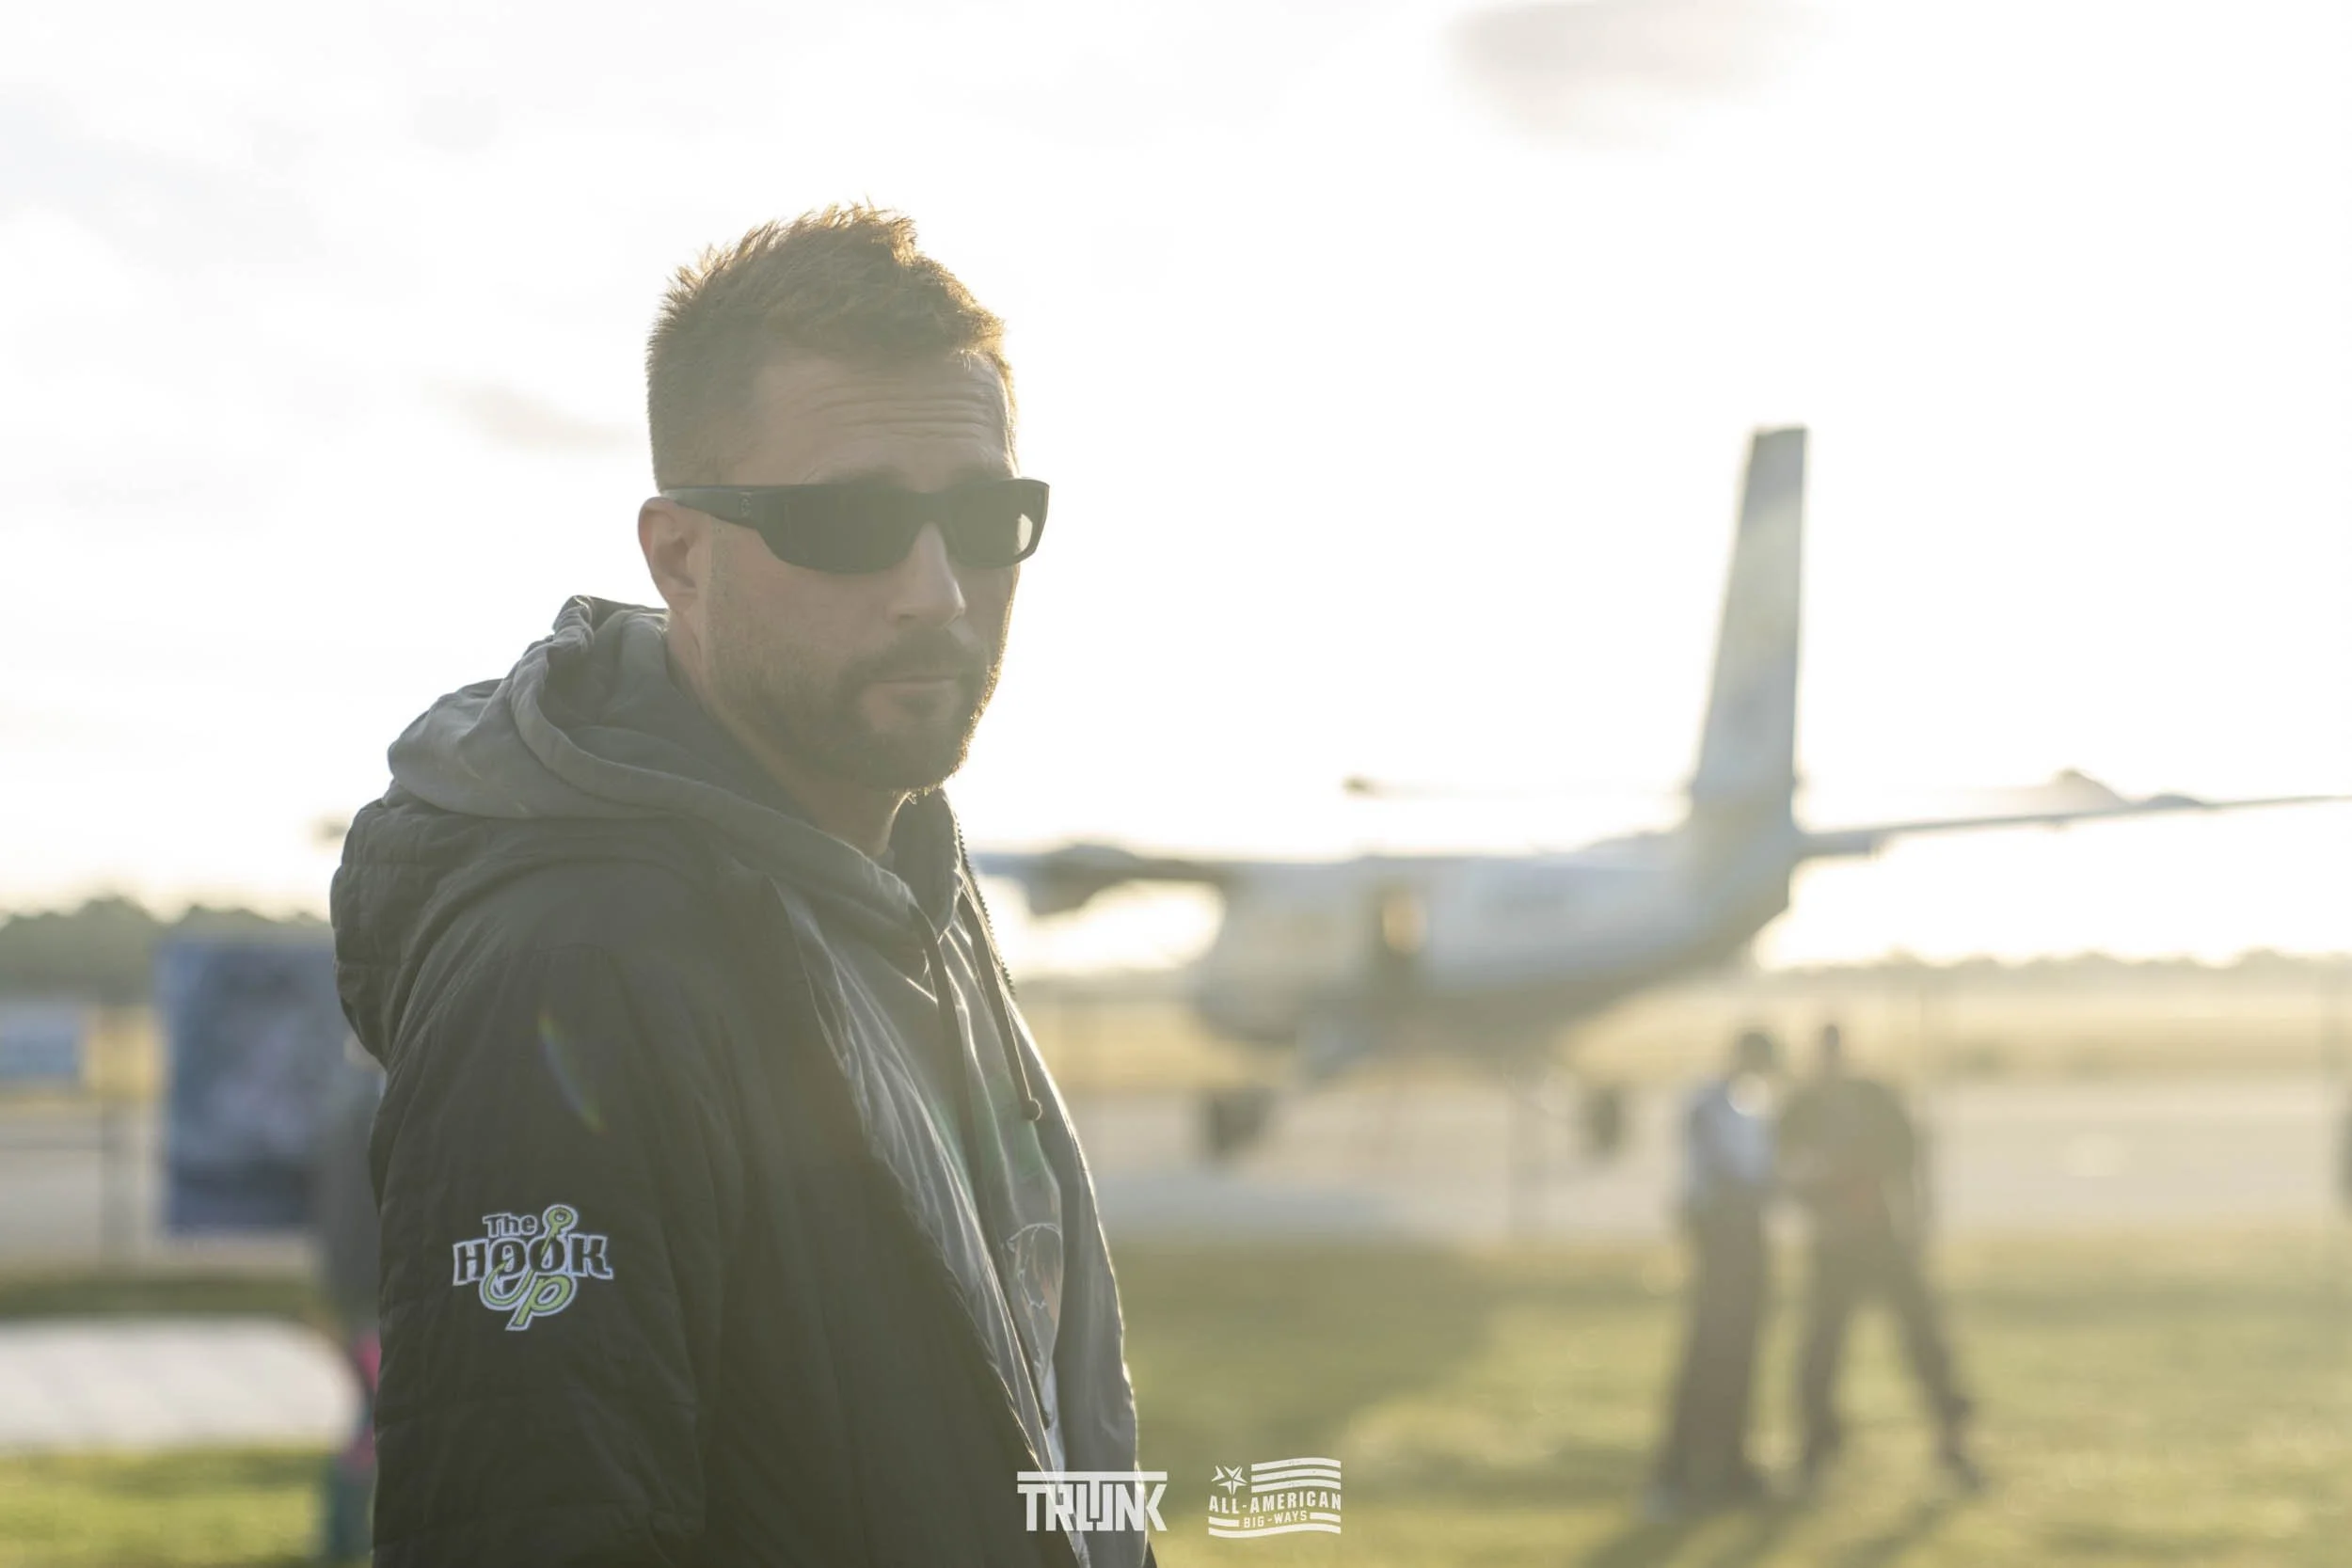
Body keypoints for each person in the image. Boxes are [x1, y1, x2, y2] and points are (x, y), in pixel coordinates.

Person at [332, 207, 1148, 1567]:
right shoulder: (573, 964)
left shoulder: (913, 880)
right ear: (678, 555)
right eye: (854, 522)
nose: (937, 590)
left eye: (985, 515)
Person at [1777, 1022, 1980, 1492]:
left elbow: (1910, 1159)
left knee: (1924, 1339)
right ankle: (1817, 1447)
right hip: (1832, 1244)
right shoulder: (1802, 1107)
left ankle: (1952, 1437)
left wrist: (1917, 1221)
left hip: (1884, 1238)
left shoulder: (1875, 1100)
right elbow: (1786, 1172)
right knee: (1822, 1347)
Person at [1645, 1027, 1781, 1519]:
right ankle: (1674, 1472)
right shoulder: (1708, 1100)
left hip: (1749, 1239)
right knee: (1707, 1352)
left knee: (1743, 1353)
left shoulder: (1756, 1103)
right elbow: (1724, 1169)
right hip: (1722, 1237)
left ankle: (1732, 1466)